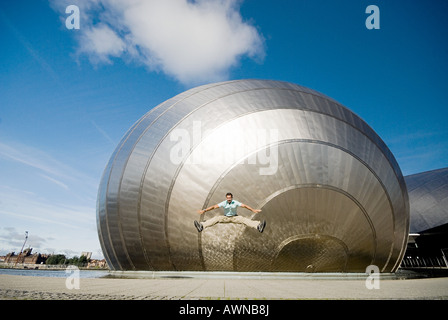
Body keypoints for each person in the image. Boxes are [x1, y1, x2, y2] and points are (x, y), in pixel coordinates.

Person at [194, 192, 266, 233]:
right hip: (226, 217)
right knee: (216, 218)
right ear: (226, 198)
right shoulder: (224, 203)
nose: (228, 199)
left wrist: (253, 210)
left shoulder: (235, 202)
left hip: (235, 217)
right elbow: (214, 207)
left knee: (244, 220)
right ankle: (202, 226)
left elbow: (244, 206)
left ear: (232, 198)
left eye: (230, 198)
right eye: (227, 198)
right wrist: (204, 210)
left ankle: (258, 226)